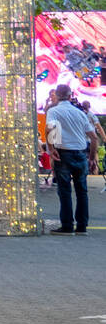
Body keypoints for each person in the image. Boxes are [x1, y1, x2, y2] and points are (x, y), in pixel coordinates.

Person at [45, 83, 97, 234]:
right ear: (70, 96)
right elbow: (93, 138)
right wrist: (92, 158)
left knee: (65, 191)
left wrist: (52, 149)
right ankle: (82, 226)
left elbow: (50, 129)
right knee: (82, 191)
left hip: (63, 154)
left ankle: (67, 225)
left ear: (57, 96)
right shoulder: (80, 113)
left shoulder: (54, 111)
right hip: (80, 154)